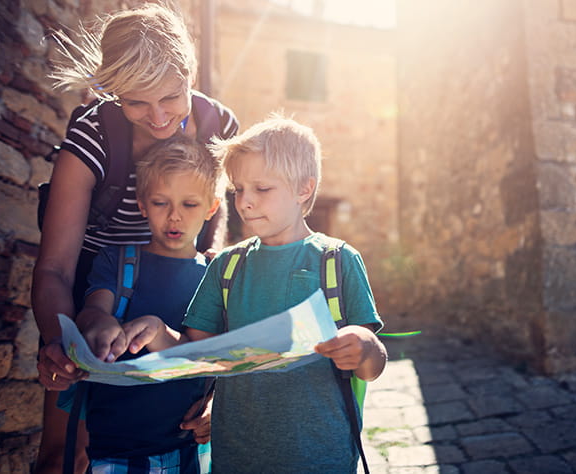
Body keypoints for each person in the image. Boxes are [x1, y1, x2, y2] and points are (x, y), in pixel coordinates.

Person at [32, 4, 238, 473]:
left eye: (170, 96)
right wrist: (61, 346)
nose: (159, 117)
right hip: (95, 291)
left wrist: (213, 378)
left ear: (191, 73)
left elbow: (217, 240)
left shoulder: (218, 129)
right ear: (113, 92)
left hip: (181, 287)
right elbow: (55, 268)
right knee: (66, 455)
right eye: (136, 101)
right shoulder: (94, 135)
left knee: (178, 440)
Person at [121, 115, 388, 473]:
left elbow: (373, 366)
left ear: (303, 189)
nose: (245, 202)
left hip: (321, 458)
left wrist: (364, 346)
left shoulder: (338, 261)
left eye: (261, 189)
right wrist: (156, 332)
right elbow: (198, 354)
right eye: (238, 190)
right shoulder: (227, 267)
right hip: (237, 458)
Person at [73, 135, 222, 473]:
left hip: (189, 449)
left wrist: (216, 406)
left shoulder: (217, 277)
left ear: (211, 207)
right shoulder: (118, 261)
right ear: (141, 204)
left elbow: (221, 357)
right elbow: (94, 310)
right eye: (160, 202)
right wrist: (100, 324)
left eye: (189, 204)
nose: (174, 217)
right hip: (116, 448)